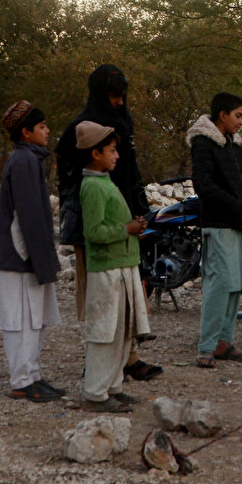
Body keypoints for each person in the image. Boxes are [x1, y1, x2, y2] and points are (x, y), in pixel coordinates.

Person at [55, 64, 162, 382]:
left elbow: (131, 176)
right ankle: (98, 364)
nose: (119, 102)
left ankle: (129, 359)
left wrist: (139, 216)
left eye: (122, 97)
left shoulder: (120, 127)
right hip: (98, 231)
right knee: (101, 299)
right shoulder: (81, 131)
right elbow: (74, 187)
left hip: (128, 226)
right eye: (114, 96)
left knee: (129, 293)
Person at [0, 101, 63, 403]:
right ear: (26, 132)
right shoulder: (23, 161)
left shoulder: (29, 160)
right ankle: (21, 380)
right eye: (42, 127)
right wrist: (38, 259)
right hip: (18, 256)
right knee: (20, 320)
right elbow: (26, 217)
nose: (47, 132)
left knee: (35, 319)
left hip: (26, 256)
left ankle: (32, 376)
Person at [77, 121, 151, 413]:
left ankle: (113, 387)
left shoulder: (104, 182)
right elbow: (93, 233)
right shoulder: (92, 186)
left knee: (122, 332)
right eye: (111, 150)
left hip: (123, 267)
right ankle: (95, 393)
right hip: (107, 271)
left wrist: (133, 227)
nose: (116, 155)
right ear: (95, 154)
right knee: (104, 333)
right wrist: (127, 229)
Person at [188, 92, 242, 368]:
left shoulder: (233, 145)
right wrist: (236, 206)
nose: (241, 121)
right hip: (218, 225)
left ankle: (224, 342)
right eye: (238, 115)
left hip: (238, 224)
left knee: (236, 285)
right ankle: (206, 346)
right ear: (223, 115)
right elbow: (203, 185)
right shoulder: (204, 144)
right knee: (218, 286)